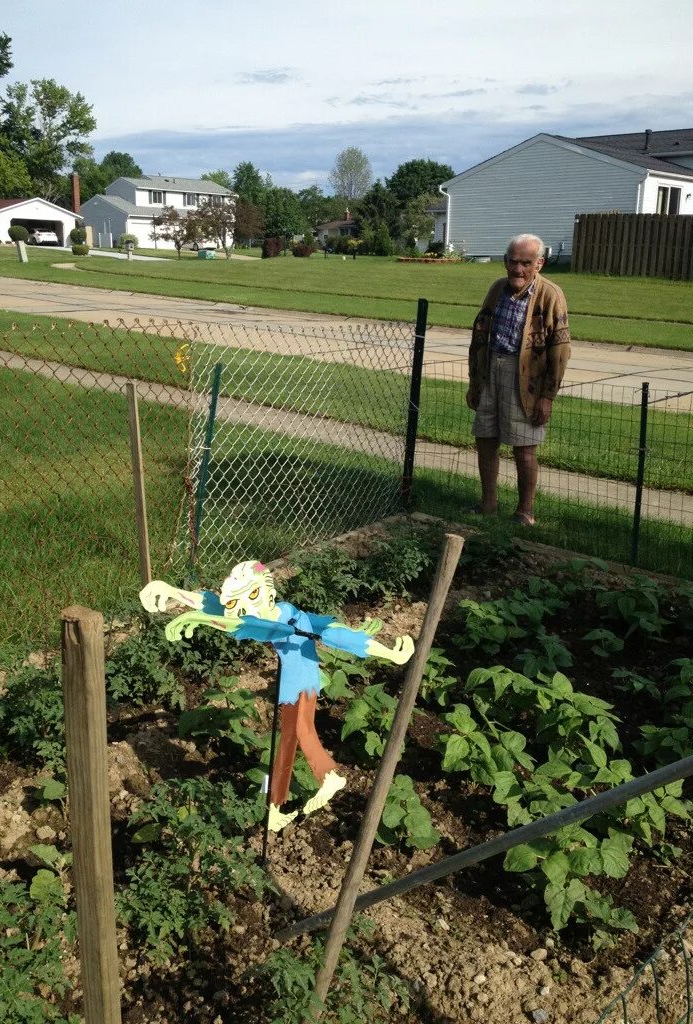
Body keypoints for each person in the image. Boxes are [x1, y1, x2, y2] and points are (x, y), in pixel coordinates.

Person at [140, 561, 414, 832]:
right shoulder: (279, 616)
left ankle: (329, 777)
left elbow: (330, 635)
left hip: (301, 685)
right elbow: (219, 608)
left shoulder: (282, 622)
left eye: (255, 595)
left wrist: (389, 653)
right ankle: (274, 808)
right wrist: (174, 592)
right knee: (285, 745)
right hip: (291, 687)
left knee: (302, 730)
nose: (250, 606)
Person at [466, 233, 571, 525]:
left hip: (527, 379)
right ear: (505, 261)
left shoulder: (551, 294)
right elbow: (479, 336)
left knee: (524, 448)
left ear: (540, 264)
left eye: (526, 263)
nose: (518, 269)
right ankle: (488, 504)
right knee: (485, 439)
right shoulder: (497, 289)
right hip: (490, 371)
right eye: (513, 261)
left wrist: (547, 396)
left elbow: (560, 351)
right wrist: (475, 381)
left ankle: (525, 511)